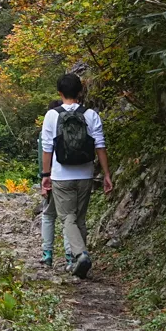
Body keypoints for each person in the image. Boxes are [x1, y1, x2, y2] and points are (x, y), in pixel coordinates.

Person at [39, 71, 113, 278]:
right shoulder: (91, 115)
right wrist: (106, 174)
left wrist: (46, 175)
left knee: (67, 218)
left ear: (59, 92)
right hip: (86, 173)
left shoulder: (52, 115)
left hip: (61, 175)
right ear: (80, 91)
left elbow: (47, 148)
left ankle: (81, 255)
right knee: (79, 218)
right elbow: (100, 145)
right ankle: (76, 263)